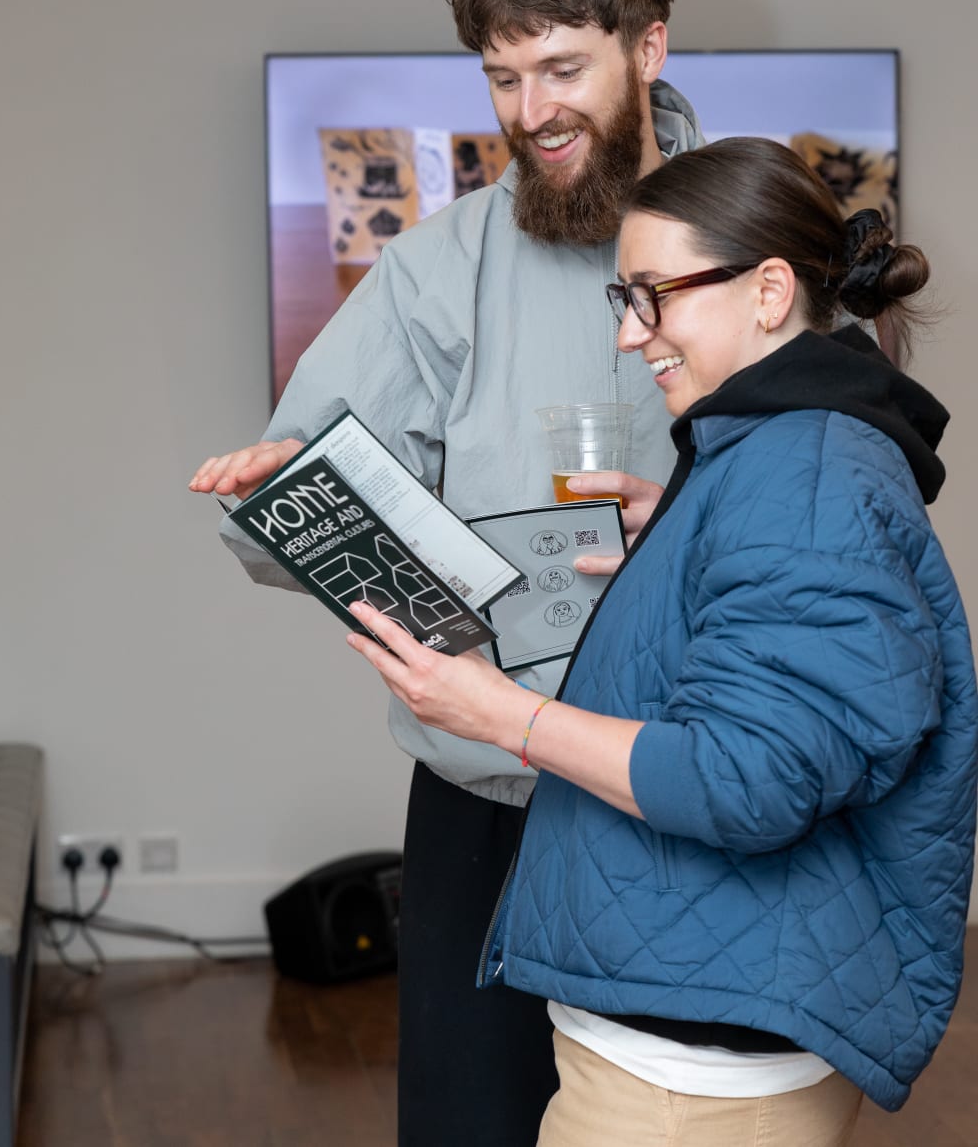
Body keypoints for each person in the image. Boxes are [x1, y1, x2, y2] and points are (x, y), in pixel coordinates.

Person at [189, 0, 704, 1146]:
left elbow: (843, 479)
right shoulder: (435, 269)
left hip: (698, 790)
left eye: (563, 68)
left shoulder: (765, 237)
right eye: (503, 79)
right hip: (490, 803)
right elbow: (282, 523)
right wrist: (293, 493)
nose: (534, 112)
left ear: (647, 47)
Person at [344, 137, 977, 1147]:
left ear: (768, 291)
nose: (631, 334)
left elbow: (750, 778)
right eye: (622, 299)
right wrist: (681, 535)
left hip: (690, 1082)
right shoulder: (770, 452)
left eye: (654, 297)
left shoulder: (805, 473)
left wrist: (502, 716)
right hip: (691, 1031)